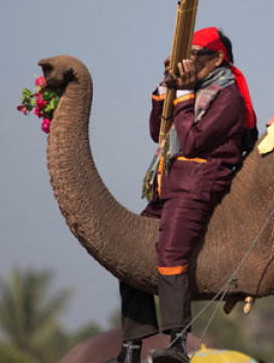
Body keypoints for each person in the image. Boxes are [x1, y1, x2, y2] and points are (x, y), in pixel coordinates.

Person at [109, 27, 257, 363]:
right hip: (170, 182)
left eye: (194, 55)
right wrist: (167, 86)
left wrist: (186, 94)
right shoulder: (192, 90)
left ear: (217, 58)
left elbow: (191, 141)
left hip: (199, 183)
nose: (187, 62)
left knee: (171, 252)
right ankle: (131, 349)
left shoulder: (228, 96)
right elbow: (155, 131)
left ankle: (177, 342)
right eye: (184, 55)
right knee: (127, 254)